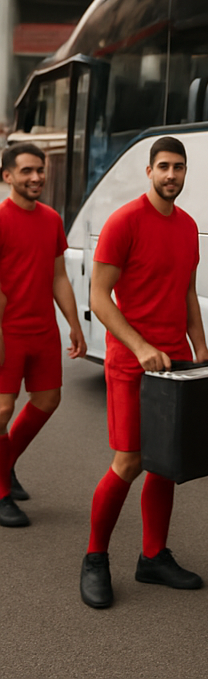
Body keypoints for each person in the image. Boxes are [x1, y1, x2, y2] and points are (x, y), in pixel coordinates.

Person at [80, 136, 208, 609]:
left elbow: (188, 292)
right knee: (129, 462)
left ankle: (153, 556)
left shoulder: (190, 226)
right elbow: (99, 298)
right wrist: (139, 345)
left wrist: (200, 349)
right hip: (130, 363)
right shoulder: (124, 222)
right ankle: (95, 557)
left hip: (175, 363)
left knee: (165, 463)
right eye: (164, 167)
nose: (172, 175)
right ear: (149, 170)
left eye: (179, 167)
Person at [0, 142, 86, 528]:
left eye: (39, 170)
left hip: (43, 330)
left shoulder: (51, 218)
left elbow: (58, 276)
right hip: (7, 331)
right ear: (7, 177)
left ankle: (5, 463)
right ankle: (1, 491)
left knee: (48, 401)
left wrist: (74, 323)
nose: (35, 177)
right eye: (26, 171)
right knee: (1, 410)